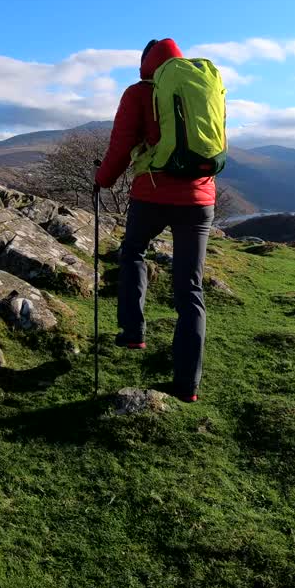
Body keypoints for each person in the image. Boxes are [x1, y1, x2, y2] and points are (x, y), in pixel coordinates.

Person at [94, 38, 215, 403]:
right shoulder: (201, 88)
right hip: (199, 199)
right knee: (190, 289)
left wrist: (102, 180)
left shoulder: (138, 94)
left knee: (132, 252)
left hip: (152, 193)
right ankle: (187, 386)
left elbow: (120, 147)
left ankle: (133, 332)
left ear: (147, 62)